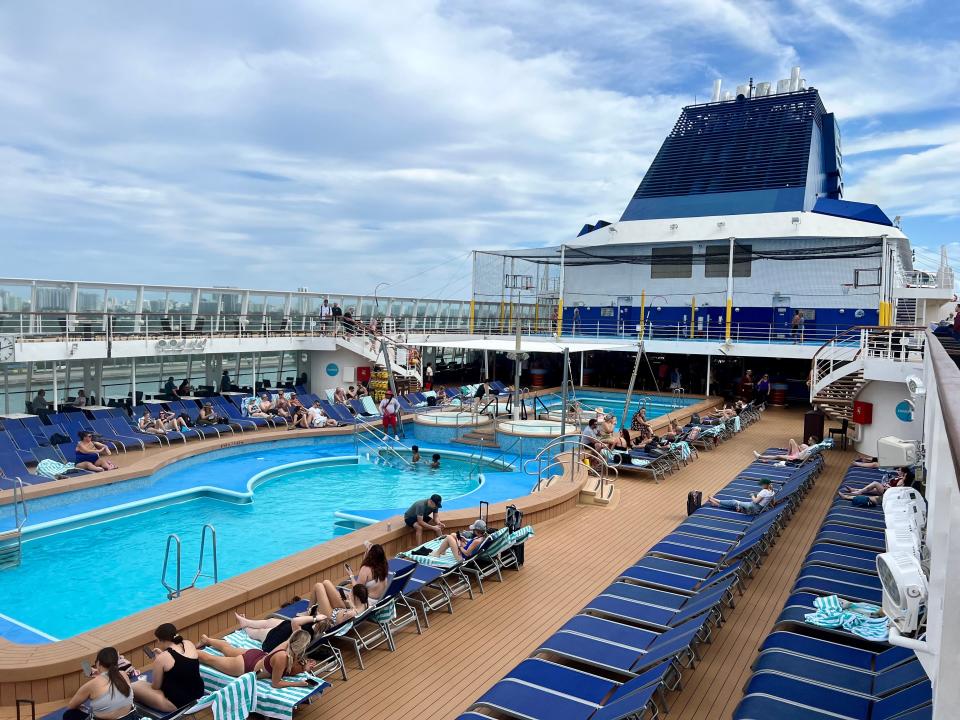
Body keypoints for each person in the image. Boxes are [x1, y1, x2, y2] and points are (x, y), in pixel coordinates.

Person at [197, 630, 316, 689]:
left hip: (255, 655)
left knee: (227, 649)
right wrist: (298, 684)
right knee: (210, 659)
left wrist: (303, 668)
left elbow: (285, 670)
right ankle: (184, 653)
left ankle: (207, 640)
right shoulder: (283, 657)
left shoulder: (288, 646)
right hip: (245, 665)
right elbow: (276, 683)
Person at [132, 624, 204, 713]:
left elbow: (155, 687)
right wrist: (162, 656)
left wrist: (158, 660)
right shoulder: (188, 643)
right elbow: (182, 663)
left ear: (160, 640)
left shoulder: (162, 658)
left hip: (177, 703)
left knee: (134, 687)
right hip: (198, 692)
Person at [66, 647, 136, 720]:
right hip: (130, 717)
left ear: (98, 663)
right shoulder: (123, 675)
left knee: (69, 714)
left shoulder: (92, 684)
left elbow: (71, 706)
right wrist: (100, 674)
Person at [234, 607, 329, 653]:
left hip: (277, 641)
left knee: (260, 632)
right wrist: (310, 613)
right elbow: (298, 617)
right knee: (269, 621)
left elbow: (295, 621)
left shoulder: (305, 635)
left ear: (317, 623)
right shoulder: (313, 626)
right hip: (285, 628)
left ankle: (245, 627)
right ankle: (246, 621)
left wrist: (314, 617)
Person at [705, 479, 775, 514]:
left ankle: (715, 499)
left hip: (754, 507)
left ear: (765, 485)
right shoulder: (772, 491)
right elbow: (772, 501)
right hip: (760, 508)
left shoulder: (764, 491)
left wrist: (752, 495)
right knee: (736, 506)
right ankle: (717, 505)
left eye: (762, 485)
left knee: (734, 502)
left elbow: (755, 501)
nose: (761, 486)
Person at [840, 467, 914, 498]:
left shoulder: (902, 483)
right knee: (869, 490)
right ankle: (854, 490)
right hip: (885, 488)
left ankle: (858, 492)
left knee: (875, 483)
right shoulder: (900, 478)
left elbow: (895, 491)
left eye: (900, 470)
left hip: (887, 491)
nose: (898, 471)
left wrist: (886, 486)